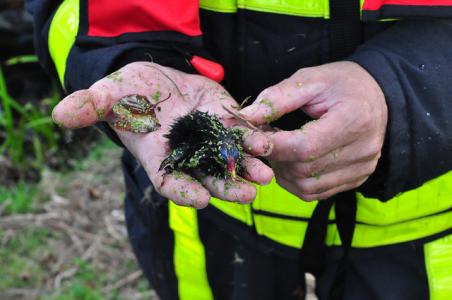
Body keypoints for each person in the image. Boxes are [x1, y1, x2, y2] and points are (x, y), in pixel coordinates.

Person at [27, 0, 452, 299]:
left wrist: (403, 91)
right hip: (208, 222)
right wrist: (123, 55)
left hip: (427, 232)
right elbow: (70, 11)